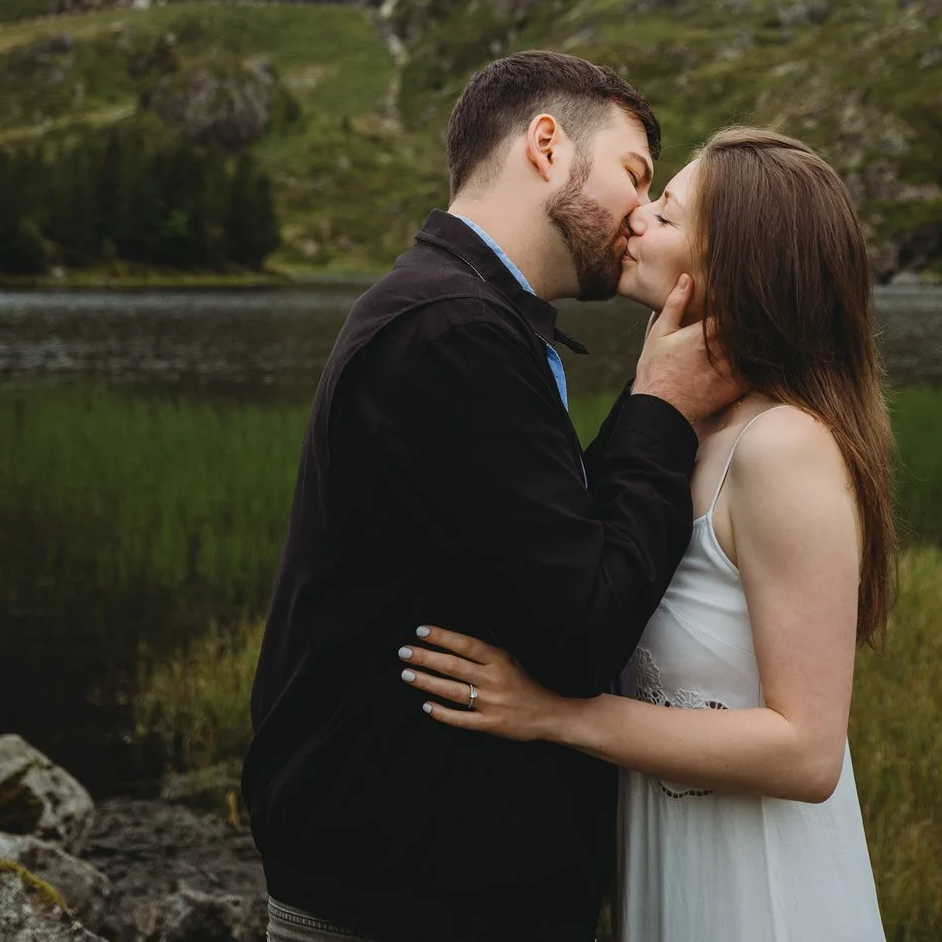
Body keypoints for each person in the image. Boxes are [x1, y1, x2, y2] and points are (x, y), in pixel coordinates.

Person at [244, 51, 743, 941]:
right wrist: (662, 409)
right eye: (634, 174)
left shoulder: (469, 317)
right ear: (547, 145)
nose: (642, 211)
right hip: (402, 902)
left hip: (421, 882)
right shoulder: (453, 332)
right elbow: (584, 626)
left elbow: (548, 554)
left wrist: (652, 408)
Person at [396, 127, 896, 941]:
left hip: (759, 894)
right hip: (668, 866)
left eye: (666, 213)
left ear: (737, 263)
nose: (635, 217)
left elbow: (808, 752)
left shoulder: (783, 446)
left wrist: (555, 714)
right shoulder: (682, 428)